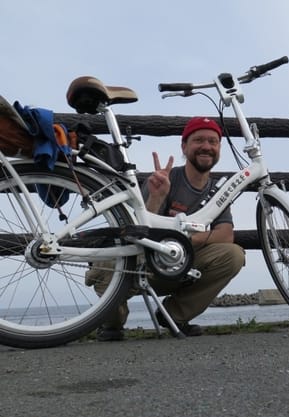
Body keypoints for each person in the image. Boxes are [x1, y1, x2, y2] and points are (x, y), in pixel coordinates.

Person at [87, 117, 246, 341]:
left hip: (181, 264)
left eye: (213, 141)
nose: (206, 146)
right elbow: (138, 227)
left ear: (219, 148)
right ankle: (111, 324)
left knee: (233, 255)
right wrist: (156, 197)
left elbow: (226, 234)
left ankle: (174, 316)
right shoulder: (165, 178)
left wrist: (188, 240)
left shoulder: (217, 190)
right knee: (107, 263)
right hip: (144, 264)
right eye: (198, 140)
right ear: (184, 146)